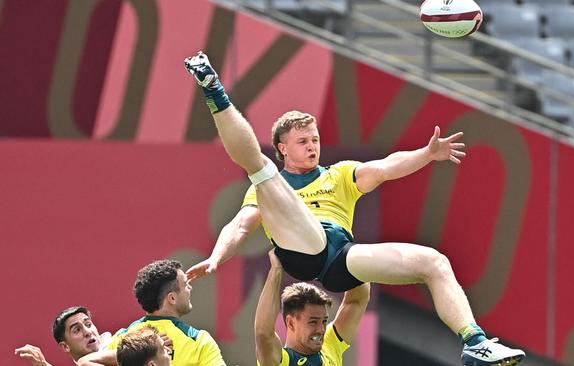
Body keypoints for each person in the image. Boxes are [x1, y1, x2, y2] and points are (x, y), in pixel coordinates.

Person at [184, 51, 526, 365]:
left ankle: (474, 343)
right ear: (283, 148)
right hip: (302, 253)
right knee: (260, 171)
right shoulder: (271, 187)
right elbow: (241, 225)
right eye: (303, 142)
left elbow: (387, 167)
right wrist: (218, 256)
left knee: (433, 262)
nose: (312, 146)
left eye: (315, 139)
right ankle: (214, 90)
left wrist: (426, 154)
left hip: (340, 259)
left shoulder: (340, 174)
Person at [255, 250, 369, 366]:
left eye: (324, 321)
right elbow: (263, 332)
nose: (321, 329)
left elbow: (356, 301)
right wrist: (276, 270)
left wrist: (347, 254)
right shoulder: (281, 361)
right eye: (313, 322)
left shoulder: (330, 347)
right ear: (291, 323)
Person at [107, 260, 227, 366]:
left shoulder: (121, 339)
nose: (190, 288)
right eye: (185, 284)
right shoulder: (199, 340)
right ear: (172, 298)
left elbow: (89, 361)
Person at [15, 306, 116, 366]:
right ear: (65, 346)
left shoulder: (121, 339)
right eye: (77, 330)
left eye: (88, 324)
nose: (87, 332)